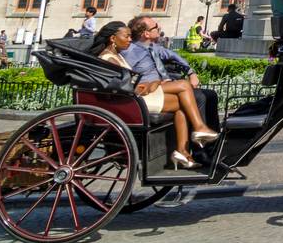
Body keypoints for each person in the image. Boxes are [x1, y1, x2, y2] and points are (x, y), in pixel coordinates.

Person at [91, 21, 215, 169]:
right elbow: (127, 88)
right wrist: (151, 85)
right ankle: (198, 130)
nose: (129, 40)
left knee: (183, 96)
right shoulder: (109, 59)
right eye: (126, 36)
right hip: (132, 102)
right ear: (113, 39)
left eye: (130, 36)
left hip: (135, 98)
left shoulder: (115, 55)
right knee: (183, 87)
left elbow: (129, 83)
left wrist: (154, 83)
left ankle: (183, 150)